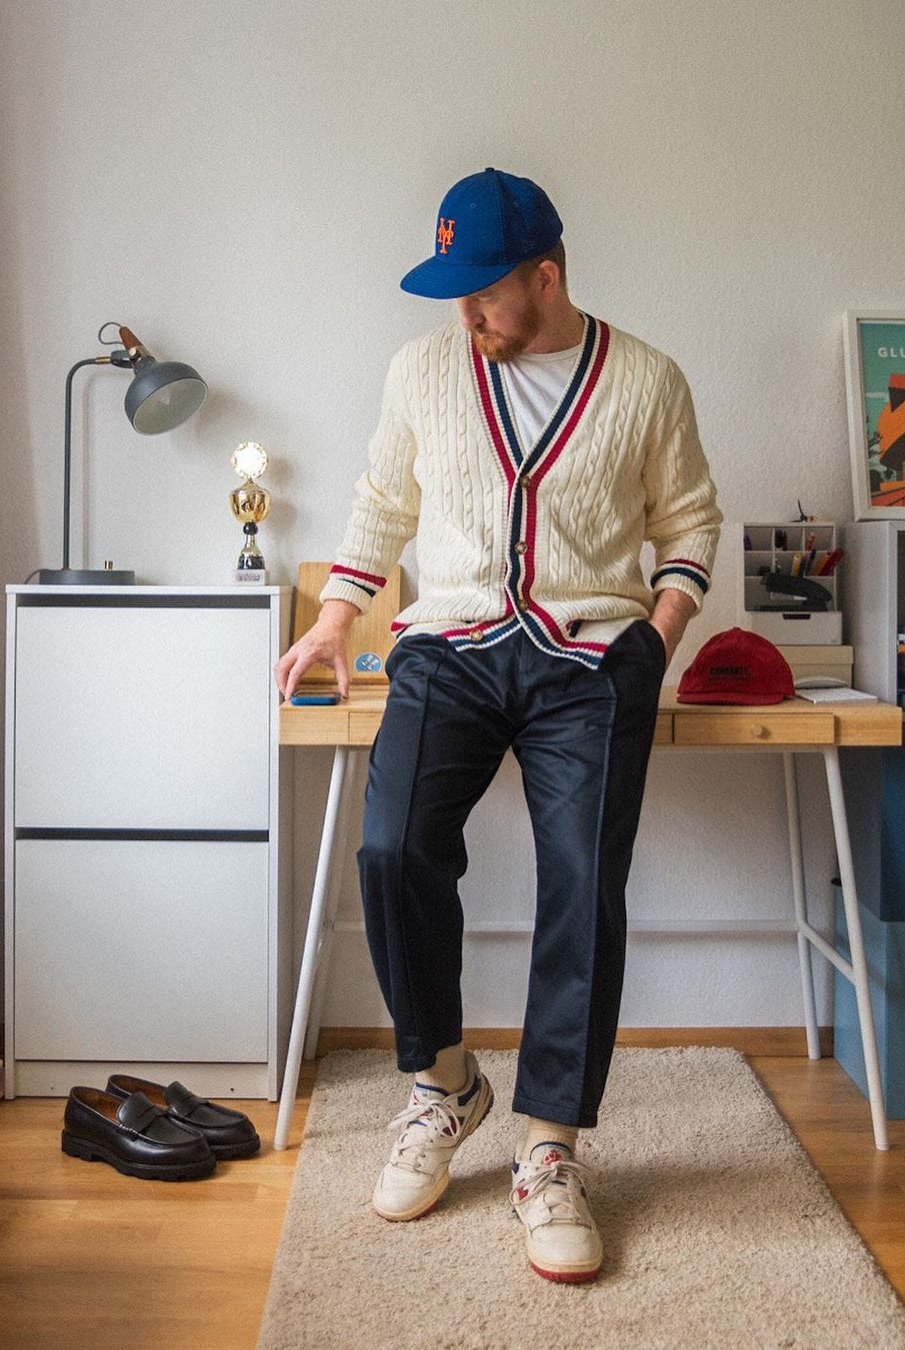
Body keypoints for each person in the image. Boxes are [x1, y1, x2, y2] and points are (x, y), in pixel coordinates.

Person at [275, 168, 722, 1284]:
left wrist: (654, 640)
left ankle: (549, 1147)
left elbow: (689, 520)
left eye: (483, 293)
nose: (464, 314)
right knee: (393, 846)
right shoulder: (422, 371)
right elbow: (385, 502)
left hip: (590, 657)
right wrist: (337, 615)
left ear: (546, 275)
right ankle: (444, 1082)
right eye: (453, 295)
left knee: (583, 877)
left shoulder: (648, 380)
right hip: (452, 647)